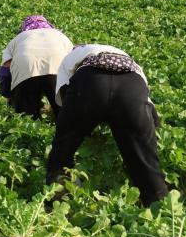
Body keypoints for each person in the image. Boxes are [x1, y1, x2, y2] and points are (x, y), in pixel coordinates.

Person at [47, 44, 169, 206]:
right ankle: (159, 207)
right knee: (145, 160)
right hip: (132, 88)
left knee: (63, 149)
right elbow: (147, 109)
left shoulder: (70, 58)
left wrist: (82, 126)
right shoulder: (130, 63)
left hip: (91, 83)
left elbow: (66, 102)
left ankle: (57, 196)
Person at [0, 15, 73, 119]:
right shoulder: (59, 35)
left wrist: (9, 94)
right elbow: (73, 61)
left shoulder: (19, 38)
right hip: (56, 69)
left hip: (26, 70)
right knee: (65, 115)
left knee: (27, 118)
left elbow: (5, 71)